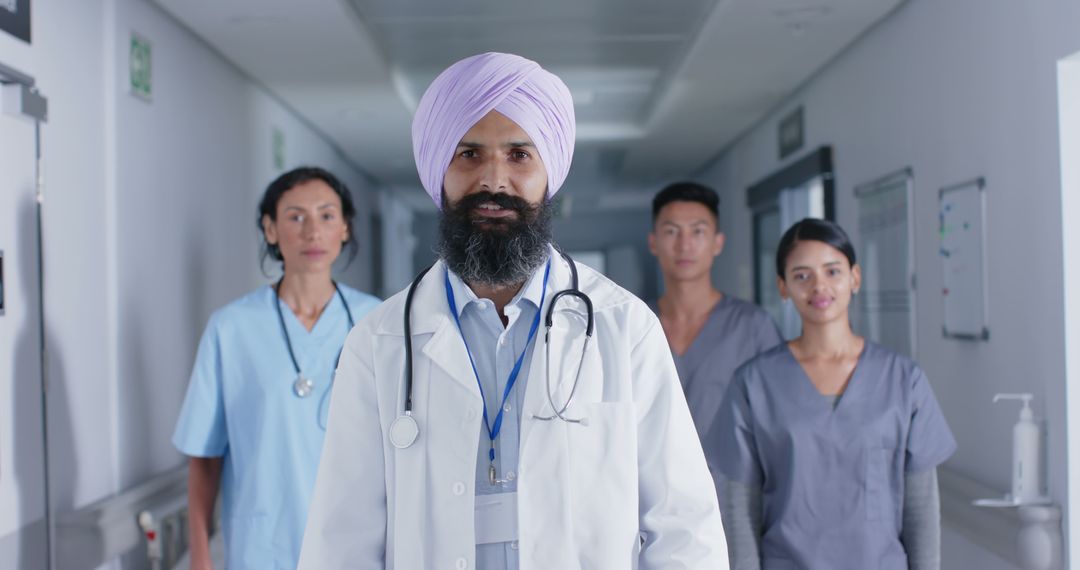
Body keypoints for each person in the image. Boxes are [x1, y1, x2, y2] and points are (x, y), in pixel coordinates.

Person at [299, 52, 727, 569]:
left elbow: (683, 528)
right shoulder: (379, 342)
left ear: (550, 173)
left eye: (519, 155)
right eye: (470, 154)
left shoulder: (623, 327)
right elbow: (341, 540)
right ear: (439, 171)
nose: (494, 181)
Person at [711, 218, 956, 570]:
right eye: (802, 275)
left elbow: (921, 512)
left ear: (854, 277)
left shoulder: (903, 380)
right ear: (783, 287)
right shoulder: (753, 384)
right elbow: (740, 512)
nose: (819, 286)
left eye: (832, 271)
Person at [172, 167, 381, 569]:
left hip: (356, 547)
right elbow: (205, 459)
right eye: (295, 216)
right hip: (261, 549)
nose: (312, 231)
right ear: (270, 229)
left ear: (344, 229)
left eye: (326, 215)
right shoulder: (231, 329)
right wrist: (200, 555)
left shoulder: (376, 323)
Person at [647, 182, 782, 496]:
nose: (684, 245)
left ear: (717, 243)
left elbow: (778, 424)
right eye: (671, 231)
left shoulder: (752, 327)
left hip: (733, 502)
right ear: (653, 242)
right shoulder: (637, 324)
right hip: (652, 500)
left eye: (697, 232)